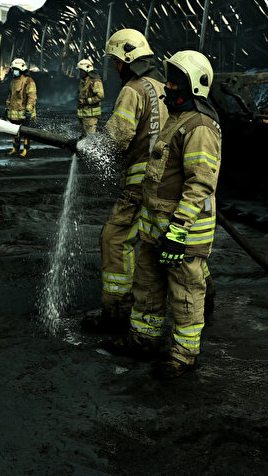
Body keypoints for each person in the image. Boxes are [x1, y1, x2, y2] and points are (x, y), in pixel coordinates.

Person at [108, 50, 222, 380]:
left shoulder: (199, 126)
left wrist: (178, 231)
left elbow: (200, 183)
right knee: (146, 285)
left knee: (186, 291)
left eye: (173, 82)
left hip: (180, 232)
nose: (166, 88)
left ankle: (183, 354)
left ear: (192, 87)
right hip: (156, 227)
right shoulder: (179, 119)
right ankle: (143, 338)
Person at [80, 29, 165, 334]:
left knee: (115, 239)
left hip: (140, 183)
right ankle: (203, 295)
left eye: (117, 61)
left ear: (129, 59)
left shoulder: (133, 89)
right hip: (168, 184)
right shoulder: (161, 86)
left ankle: (116, 312)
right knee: (165, 239)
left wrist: (92, 148)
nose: (115, 67)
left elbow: (118, 138)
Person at [4, 58, 37, 157]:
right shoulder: (13, 81)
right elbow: (10, 96)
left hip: (25, 113)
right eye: (13, 69)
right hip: (14, 113)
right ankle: (15, 148)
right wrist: (7, 107)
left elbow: (32, 97)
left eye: (15, 69)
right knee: (14, 132)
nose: (14, 71)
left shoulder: (28, 81)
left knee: (26, 133)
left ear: (21, 69)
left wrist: (29, 110)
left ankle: (25, 150)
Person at [76, 58, 105, 135]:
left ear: (86, 69)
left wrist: (85, 101)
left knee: (90, 139)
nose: (80, 72)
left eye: (81, 70)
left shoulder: (95, 81)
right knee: (85, 137)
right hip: (83, 116)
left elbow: (100, 96)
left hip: (91, 117)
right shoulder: (83, 81)